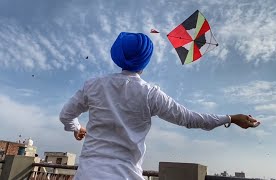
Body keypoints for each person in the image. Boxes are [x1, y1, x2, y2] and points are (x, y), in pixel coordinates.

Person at [59, 32, 260, 180]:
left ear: (118, 56)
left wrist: (76, 128)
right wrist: (231, 118)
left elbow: (65, 115)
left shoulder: (93, 85)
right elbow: (189, 119)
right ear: (145, 62)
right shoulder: (150, 94)